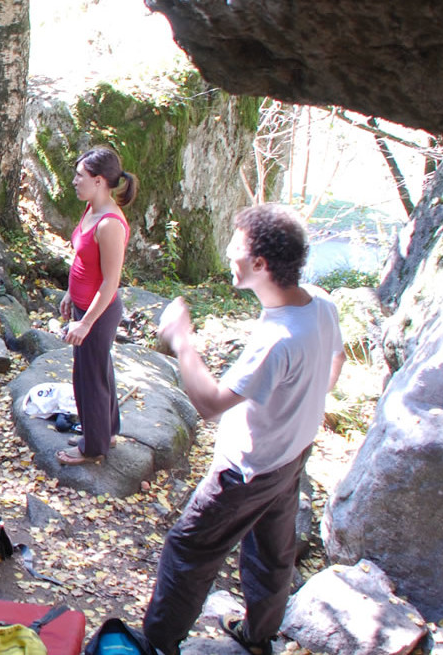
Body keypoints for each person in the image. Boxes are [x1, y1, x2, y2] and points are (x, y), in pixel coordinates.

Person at [143, 204, 344, 655]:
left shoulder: (278, 340)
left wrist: (181, 340)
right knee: (272, 554)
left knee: (187, 551)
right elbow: (336, 361)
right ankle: (258, 637)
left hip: (245, 470)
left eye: (235, 244)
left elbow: (212, 403)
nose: (227, 252)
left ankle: (156, 644)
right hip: (291, 458)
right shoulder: (321, 305)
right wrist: (301, 406)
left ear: (260, 264)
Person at [56, 147, 136, 465]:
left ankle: (92, 448)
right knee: (98, 372)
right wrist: (68, 294)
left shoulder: (110, 224)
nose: (74, 181)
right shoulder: (91, 209)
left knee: (88, 379)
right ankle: (106, 431)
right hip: (82, 306)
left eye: (80, 176)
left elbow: (110, 283)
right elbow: (82, 260)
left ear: (100, 180)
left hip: (97, 314)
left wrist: (86, 322)